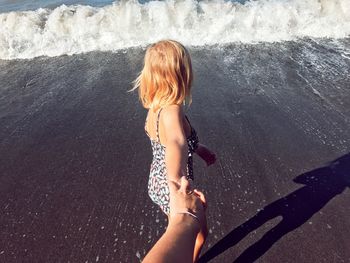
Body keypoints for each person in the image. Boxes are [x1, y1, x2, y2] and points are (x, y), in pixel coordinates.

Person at [133, 39, 216, 260]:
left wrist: (198, 149)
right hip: (171, 185)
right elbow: (176, 142)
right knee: (198, 233)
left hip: (156, 182)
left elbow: (176, 140)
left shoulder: (155, 106)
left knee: (176, 228)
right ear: (181, 75)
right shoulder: (172, 110)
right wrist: (176, 182)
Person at [143, 176, 207, 263]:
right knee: (200, 235)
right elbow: (175, 176)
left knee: (173, 224)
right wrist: (187, 216)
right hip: (176, 195)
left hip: (162, 187)